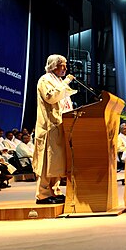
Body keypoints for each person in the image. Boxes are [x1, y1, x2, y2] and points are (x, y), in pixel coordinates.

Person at [32, 54, 77, 204]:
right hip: (49, 127)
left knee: (57, 162)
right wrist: (66, 82)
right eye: (61, 65)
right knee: (47, 161)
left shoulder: (57, 80)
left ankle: (54, 190)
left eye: (65, 65)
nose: (64, 68)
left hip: (60, 125)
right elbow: (51, 97)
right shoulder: (45, 80)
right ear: (52, 66)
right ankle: (43, 194)